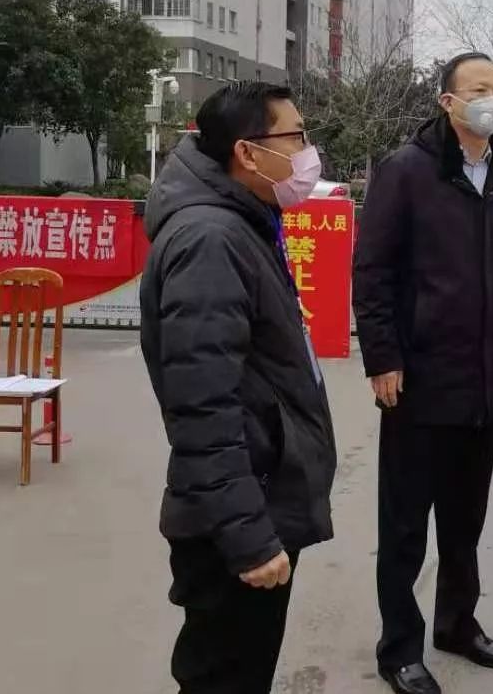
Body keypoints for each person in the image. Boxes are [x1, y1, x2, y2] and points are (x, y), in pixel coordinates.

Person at [139, 82, 337, 694]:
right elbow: (204, 408)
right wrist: (249, 536)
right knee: (225, 676)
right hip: (238, 515)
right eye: (295, 137)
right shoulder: (210, 240)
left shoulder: (244, 221)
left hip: (257, 493)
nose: (308, 153)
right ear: (248, 153)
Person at [353, 52, 493, 694]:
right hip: (420, 376)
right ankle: (399, 647)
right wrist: (383, 357)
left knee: (465, 519)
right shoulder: (407, 170)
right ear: (448, 102)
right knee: (405, 525)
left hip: (487, 375)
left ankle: (458, 624)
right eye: (480, 89)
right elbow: (372, 270)